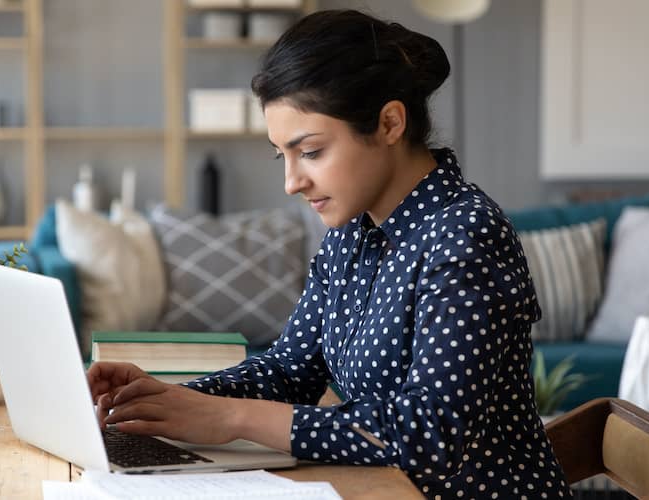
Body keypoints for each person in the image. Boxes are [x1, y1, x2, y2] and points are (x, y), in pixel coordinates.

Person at [88, 9, 571, 499]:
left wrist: (232, 417)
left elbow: (430, 433)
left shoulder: (467, 235)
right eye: (284, 156)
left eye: (311, 151)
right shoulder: (351, 233)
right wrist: (172, 398)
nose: (292, 182)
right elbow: (291, 369)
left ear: (389, 123)